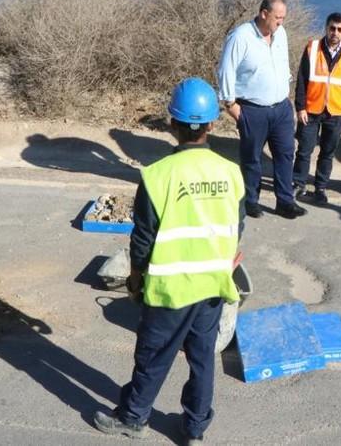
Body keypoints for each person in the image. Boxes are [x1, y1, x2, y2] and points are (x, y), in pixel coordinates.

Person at [93, 78, 245, 444]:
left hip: (170, 289)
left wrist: (134, 280)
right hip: (213, 285)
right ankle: (195, 429)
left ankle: (133, 418)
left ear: (172, 124)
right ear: (211, 124)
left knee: (153, 355)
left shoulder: (157, 176)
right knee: (202, 359)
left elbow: (142, 240)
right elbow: (236, 226)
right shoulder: (230, 172)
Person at [217, 0, 306, 220]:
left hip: (281, 108)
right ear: (264, 13)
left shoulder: (281, 34)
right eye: (277, 17)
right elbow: (226, 70)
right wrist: (231, 105)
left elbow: (283, 62)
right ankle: (251, 201)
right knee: (252, 157)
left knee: (285, 154)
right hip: (252, 109)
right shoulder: (241, 37)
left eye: (283, 18)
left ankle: (285, 201)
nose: (281, 22)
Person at [292, 12, 341, 205]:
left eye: (340, 29)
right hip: (311, 109)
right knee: (304, 150)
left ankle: (320, 187)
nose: (335, 33)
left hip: (337, 111)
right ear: (326, 28)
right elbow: (302, 79)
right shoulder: (312, 48)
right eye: (332, 28)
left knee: (327, 153)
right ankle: (298, 184)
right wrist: (300, 107)